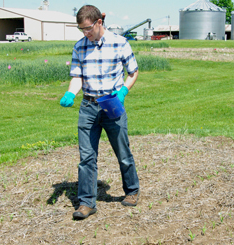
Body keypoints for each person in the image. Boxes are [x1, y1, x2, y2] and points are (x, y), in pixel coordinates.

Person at [59, 5, 140, 220]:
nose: (85, 33)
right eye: (81, 29)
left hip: (112, 105)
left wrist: (123, 91)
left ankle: (132, 190)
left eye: (87, 28)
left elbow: (133, 72)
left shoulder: (120, 43)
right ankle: (86, 203)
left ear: (99, 23)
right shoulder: (79, 47)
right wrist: (70, 93)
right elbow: (78, 77)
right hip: (88, 106)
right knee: (86, 157)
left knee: (122, 152)